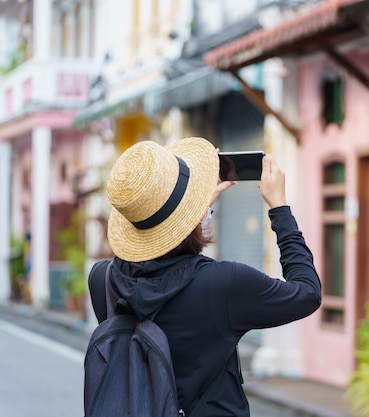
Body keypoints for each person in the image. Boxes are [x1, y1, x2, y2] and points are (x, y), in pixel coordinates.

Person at [87, 137, 321, 416]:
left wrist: (189, 213)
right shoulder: (224, 284)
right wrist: (280, 209)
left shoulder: (102, 280)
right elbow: (307, 292)